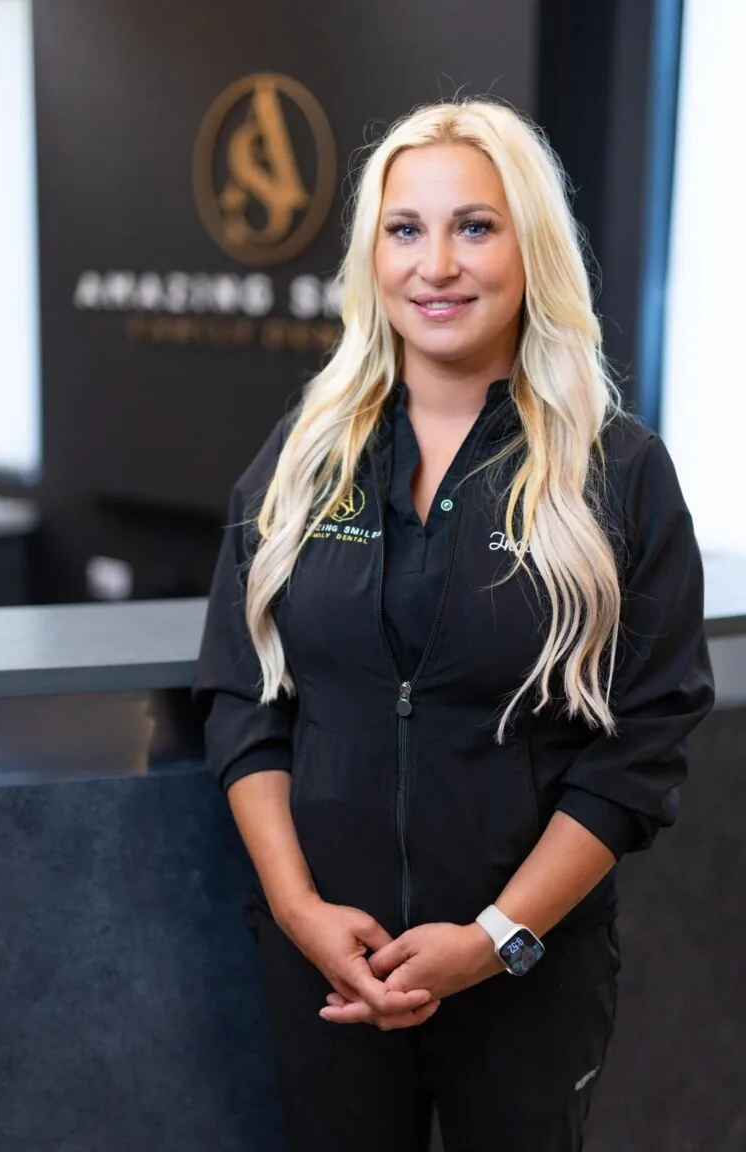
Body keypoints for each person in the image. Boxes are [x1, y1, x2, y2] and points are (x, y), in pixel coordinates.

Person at [191, 98, 715, 1151]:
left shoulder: (617, 472)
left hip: (528, 971)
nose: (436, 265)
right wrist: (298, 912)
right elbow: (244, 696)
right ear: (373, 256)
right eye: (406, 229)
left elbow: (641, 745)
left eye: (475, 226)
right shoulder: (304, 457)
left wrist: (494, 938)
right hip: (328, 964)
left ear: (531, 249)